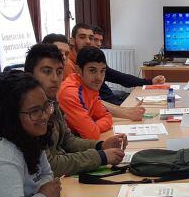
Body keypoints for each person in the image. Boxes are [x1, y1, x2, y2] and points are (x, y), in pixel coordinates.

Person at [24, 43, 127, 177]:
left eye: (59, 72)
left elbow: (67, 140)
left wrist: (101, 146)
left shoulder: (50, 101)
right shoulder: (27, 111)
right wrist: (101, 156)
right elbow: (50, 165)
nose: (55, 79)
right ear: (30, 74)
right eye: (47, 71)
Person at [70, 23, 152, 120]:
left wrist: (149, 82)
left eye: (91, 38)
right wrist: (126, 113)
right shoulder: (70, 66)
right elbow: (89, 102)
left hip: (107, 109)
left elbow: (119, 77)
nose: (89, 42)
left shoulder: (93, 61)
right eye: (83, 37)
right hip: (104, 113)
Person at [59, 46, 115, 140]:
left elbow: (107, 117)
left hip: (78, 140)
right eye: (92, 70)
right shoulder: (70, 92)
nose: (99, 77)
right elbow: (91, 134)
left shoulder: (89, 87)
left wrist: (94, 126)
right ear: (78, 70)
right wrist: (92, 128)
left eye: (102, 71)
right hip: (64, 148)